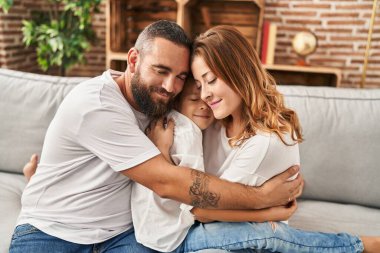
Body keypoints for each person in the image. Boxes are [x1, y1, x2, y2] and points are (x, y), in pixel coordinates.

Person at [10, 20, 303, 253]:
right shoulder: (97, 104)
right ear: (134, 59)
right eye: (161, 71)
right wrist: (262, 199)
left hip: (124, 236)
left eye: (180, 77)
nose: (170, 86)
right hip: (53, 232)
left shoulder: (167, 106)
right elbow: (167, 182)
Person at [143, 25, 380, 253]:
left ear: (238, 73)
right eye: (199, 84)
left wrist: (271, 215)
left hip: (246, 234)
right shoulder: (214, 118)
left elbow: (201, 211)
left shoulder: (267, 141)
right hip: (214, 223)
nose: (204, 94)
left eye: (211, 80)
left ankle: (357, 245)